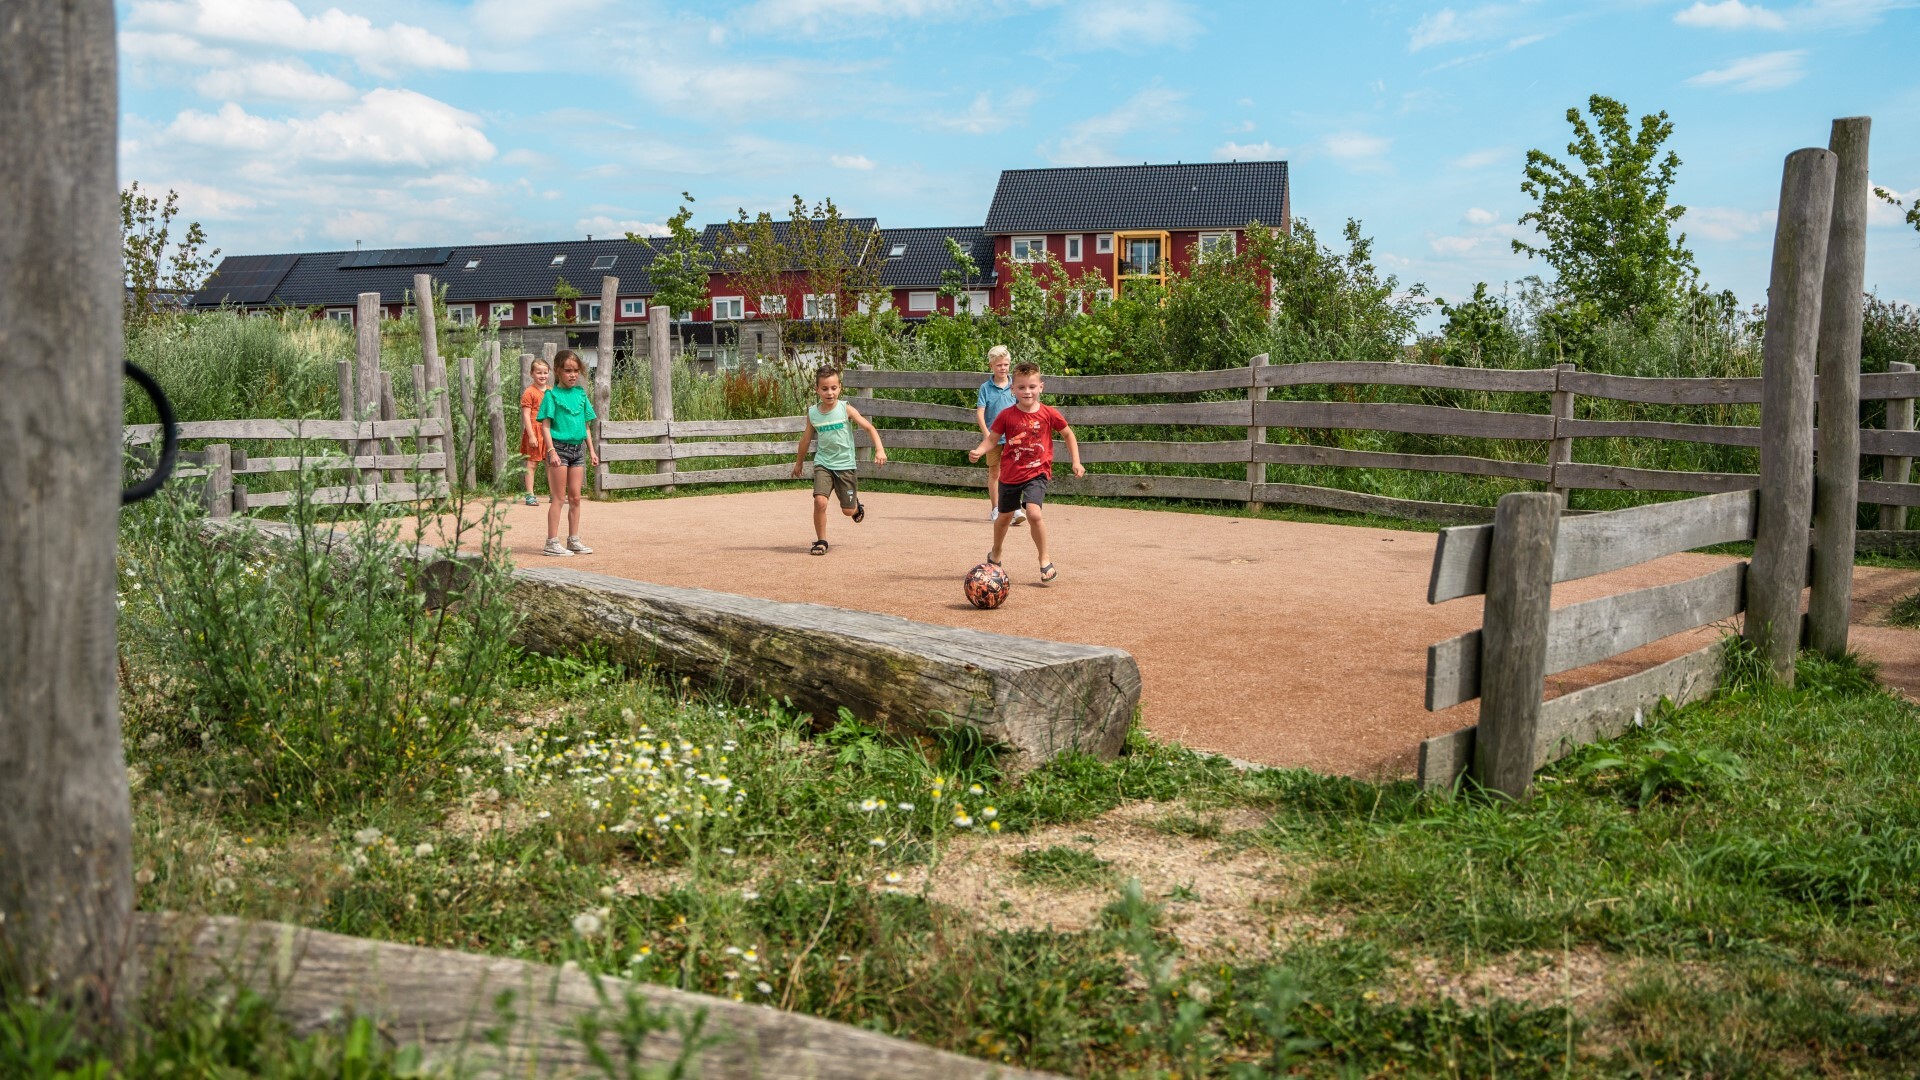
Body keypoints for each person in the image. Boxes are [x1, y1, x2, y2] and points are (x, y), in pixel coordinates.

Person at [968, 361, 1083, 582]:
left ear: (1041, 387)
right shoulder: (1006, 415)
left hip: (1037, 472)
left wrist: (1076, 462)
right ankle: (996, 552)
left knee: (1034, 513)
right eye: (1021, 387)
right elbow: (992, 439)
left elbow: (1068, 434)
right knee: (1004, 518)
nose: (1027, 391)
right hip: (1010, 474)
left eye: (1031, 386)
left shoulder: (1049, 414)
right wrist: (979, 451)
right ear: (1013, 389)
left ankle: (1044, 558)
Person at [791, 364, 886, 555]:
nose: (829, 392)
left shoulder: (845, 409)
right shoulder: (813, 413)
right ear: (817, 389)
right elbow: (805, 440)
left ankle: (856, 506)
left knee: (848, 512)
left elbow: (869, 428)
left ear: (840, 387)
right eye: (824, 388)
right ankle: (821, 541)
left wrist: (880, 449)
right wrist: (799, 462)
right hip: (823, 464)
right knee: (820, 502)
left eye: (833, 388)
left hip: (845, 466)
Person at [535, 350, 599, 557]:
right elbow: (545, 426)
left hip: (577, 451)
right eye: (568, 371)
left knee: (576, 497)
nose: (573, 375)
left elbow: (586, 425)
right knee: (558, 498)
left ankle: (573, 540)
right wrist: (552, 451)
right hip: (559, 450)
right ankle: (551, 542)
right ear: (557, 371)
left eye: (576, 371)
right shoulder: (551, 395)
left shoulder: (581, 394)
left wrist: (591, 450)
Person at [974, 345, 1024, 526]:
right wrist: (987, 435)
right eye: (999, 365)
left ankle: (1014, 507)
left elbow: (1023, 408)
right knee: (995, 472)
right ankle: (996, 508)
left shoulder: (1015, 386)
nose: (1002, 368)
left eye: (1005, 364)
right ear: (991, 366)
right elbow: (980, 412)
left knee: (1015, 472)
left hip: (1013, 438)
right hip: (993, 437)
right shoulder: (985, 388)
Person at [518, 357, 552, 506]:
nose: (542, 376)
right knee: (532, 464)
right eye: (539, 373)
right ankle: (530, 495)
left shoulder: (552, 391)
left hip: (549, 432)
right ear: (532, 373)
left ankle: (554, 494)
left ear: (549, 373)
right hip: (535, 431)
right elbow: (526, 415)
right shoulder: (529, 392)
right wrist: (531, 435)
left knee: (552, 464)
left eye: (545, 372)